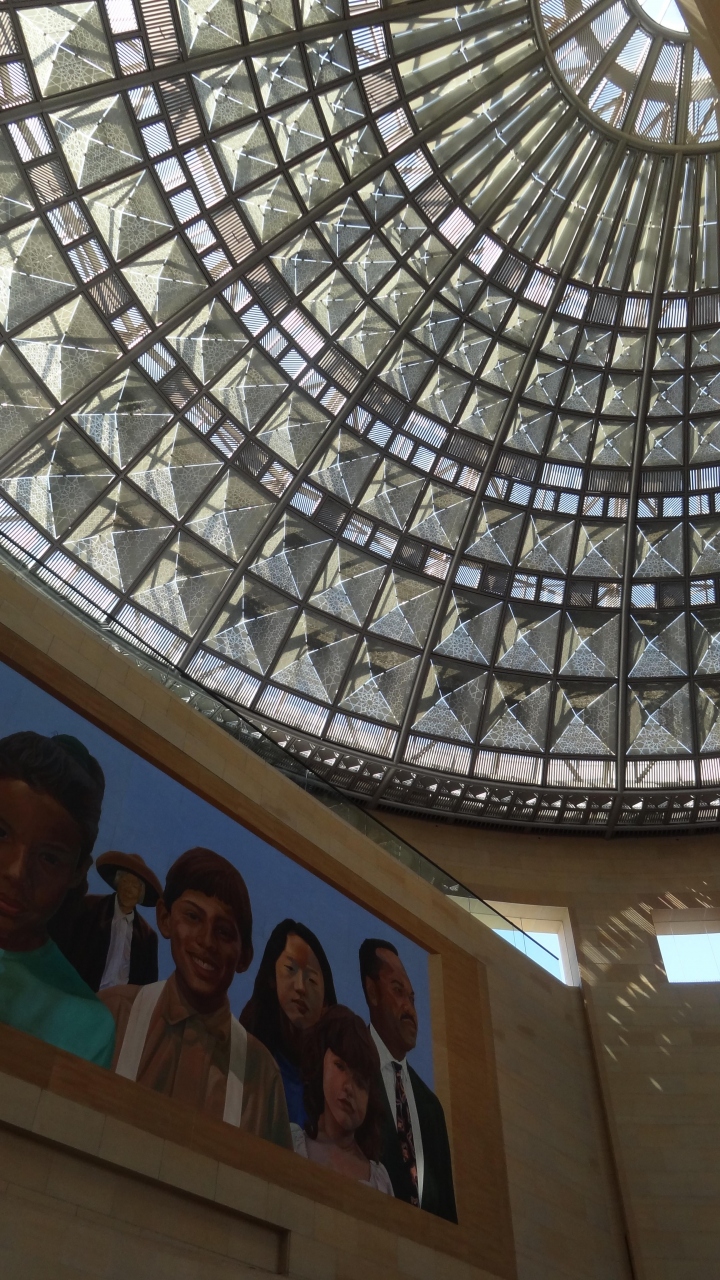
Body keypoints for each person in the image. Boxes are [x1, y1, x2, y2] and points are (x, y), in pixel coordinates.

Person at [101, 847, 291, 1148]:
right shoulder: (112, 1015)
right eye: (192, 916)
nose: (206, 940)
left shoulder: (262, 1075)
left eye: (224, 932)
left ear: (244, 957)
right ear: (165, 918)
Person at [0, 731, 115, 1067]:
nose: (17, 872)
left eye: (49, 858)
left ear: (77, 872)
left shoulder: (87, 1027)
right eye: (1, 834)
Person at [359, 938, 457, 1222]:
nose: (410, 1010)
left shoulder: (431, 1107)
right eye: (398, 991)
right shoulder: (350, 1071)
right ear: (372, 991)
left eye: (412, 999)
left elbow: (447, 1214)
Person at [240, 918, 336, 1124]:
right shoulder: (247, 1058)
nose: (301, 987)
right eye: (290, 969)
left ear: (326, 1001)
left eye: (312, 979)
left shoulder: (336, 1083)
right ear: (271, 979)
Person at [291, 1004, 393, 1195]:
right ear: (321, 1063)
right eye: (340, 1066)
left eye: (360, 1082)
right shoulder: (291, 1144)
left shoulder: (379, 1180)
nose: (349, 1087)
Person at [51, 851, 161, 992]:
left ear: (141, 893)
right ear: (117, 882)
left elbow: (147, 987)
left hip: (120, 1004)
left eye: (135, 886)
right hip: (80, 994)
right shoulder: (89, 908)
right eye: (125, 882)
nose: (129, 890)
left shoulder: (148, 937)